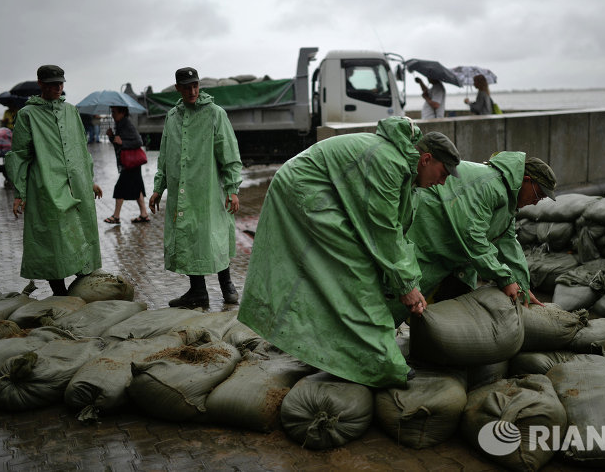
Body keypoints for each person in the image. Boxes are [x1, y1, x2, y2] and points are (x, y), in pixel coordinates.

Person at [238, 117, 461, 388]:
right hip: (305, 190)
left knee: (353, 268)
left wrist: (407, 279)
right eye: (444, 172)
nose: (443, 181)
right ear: (426, 159)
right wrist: (406, 286)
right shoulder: (390, 163)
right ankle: (379, 362)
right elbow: (383, 232)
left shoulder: (403, 169)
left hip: (318, 191)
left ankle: (332, 346)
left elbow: (396, 232)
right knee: (355, 271)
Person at [407, 152, 556, 307]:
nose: (535, 203)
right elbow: (472, 235)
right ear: (526, 180)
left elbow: (508, 242)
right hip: (425, 235)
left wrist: (522, 285)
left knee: (449, 310)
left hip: (450, 253)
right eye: (538, 195)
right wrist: (504, 279)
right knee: (399, 299)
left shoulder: (508, 201)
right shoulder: (491, 186)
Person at [5, 65, 103, 296]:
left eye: (61, 83)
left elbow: (81, 147)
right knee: (52, 237)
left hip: (77, 184)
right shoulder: (27, 115)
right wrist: (20, 193)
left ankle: (82, 287)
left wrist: (89, 180)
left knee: (81, 231)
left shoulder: (71, 111)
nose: (58, 88)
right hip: (46, 186)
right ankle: (59, 291)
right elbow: (19, 155)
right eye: (53, 84)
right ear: (41, 84)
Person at [149, 67, 243, 307]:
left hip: (208, 190)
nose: (192, 91)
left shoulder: (215, 114)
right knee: (187, 236)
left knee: (215, 235)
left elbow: (229, 153)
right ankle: (198, 291)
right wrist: (158, 187)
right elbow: (165, 154)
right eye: (187, 87)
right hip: (182, 191)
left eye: (195, 85)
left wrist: (232, 189)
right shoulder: (172, 116)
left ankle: (227, 286)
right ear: (178, 89)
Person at [103, 106, 150, 224]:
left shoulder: (126, 124)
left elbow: (138, 141)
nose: (112, 115)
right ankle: (144, 214)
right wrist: (111, 136)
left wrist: (122, 141)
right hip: (130, 162)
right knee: (137, 187)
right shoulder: (120, 124)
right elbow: (118, 144)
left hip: (130, 163)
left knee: (120, 187)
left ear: (122, 112)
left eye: (114, 112)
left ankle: (116, 216)